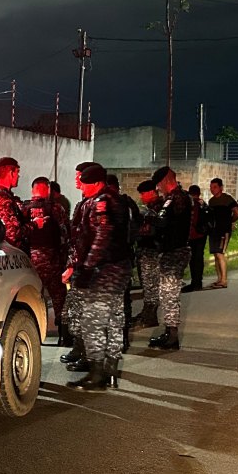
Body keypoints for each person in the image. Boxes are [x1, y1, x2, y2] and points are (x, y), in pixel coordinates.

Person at [63, 163, 132, 390]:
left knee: (92, 321)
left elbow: (102, 235)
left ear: (96, 183)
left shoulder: (101, 201)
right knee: (114, 320)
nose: (81, 188)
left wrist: (87, 266)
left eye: (84, 184)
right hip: (119, 266)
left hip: (104, 270)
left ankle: (97, 373)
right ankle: (111, 370)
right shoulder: (117, 199)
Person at [148, 166, 192, 350]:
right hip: (170, 250)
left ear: (166, 180)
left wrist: (150, 219)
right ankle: (168, 331)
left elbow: (164, 222)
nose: (158, 188)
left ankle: (172, 336)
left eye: (159, 184)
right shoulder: (173, 198)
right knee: (166, 294)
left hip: (175, 251)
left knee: (170, 293)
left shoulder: (177, 198)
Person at [24, 176, 70, 344]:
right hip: (52, 259)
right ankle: (64, 335)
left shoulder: (23, 208)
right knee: (59, 297)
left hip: (30, 261)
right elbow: (65, 233)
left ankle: (34, 334)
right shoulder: (56, 208)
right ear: (48, 189)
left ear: (33, 189)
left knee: (34, 297)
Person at [61, 162, 97, 366]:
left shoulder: (96, 204)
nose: (77, 179)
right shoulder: (84, 202)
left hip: (88, 267)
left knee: (87, 312)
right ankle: (79, 347)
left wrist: (74, 265)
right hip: (79, 264)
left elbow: (86, 240)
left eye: (79, 175)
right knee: (76, 310)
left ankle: (88, 354)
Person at [106, 174, 141, 352]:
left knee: (115, 300)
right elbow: (138, 225)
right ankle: (122, 338)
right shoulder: (127, 203)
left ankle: (117, 338)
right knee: (123, 300)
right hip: (125, 256)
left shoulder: (109, 204)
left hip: (114, 259)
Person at [132, 179, 164, 330]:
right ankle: (146, 313)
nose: (141, 197)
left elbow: (154, 230)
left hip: (152, 251)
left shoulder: (159, 208)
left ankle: (150, 317)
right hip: (145, 249)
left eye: (143, 194)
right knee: (147, 284)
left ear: (151, 192)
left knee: (151, 285)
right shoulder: (150, 207)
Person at [0, 156, 28, 251]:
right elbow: (12, 234)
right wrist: (34, 225)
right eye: (17, 172)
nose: (18, 176)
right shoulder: (1, 198)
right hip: (7, 253)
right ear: (11, 173)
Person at [206, 177, 238, 288]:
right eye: (211, 187)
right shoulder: (211, 201)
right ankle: (219, 279)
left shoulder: (227, 199)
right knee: (215, 254)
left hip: (223, 231)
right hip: (214, 230)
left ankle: (224, 280)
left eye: (215, 187)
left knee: (220, 253)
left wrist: (230, 221)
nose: (212, 189)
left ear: (221, 187)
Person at [183, 184, 209, 292]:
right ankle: (197, 282)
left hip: (194, 235)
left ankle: (196, 282)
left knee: (194, 259)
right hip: (201, 235)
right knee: (197, 259)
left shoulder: (191, 204)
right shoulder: (202, 204)